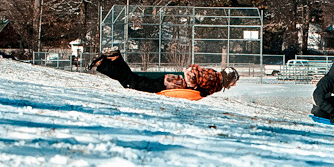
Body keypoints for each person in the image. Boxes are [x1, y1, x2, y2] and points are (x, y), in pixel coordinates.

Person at [89, 50, 238, 97]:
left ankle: (114, 59)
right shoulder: (212, 78)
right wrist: (192, 88)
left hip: (170, 84)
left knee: (131, 80)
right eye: (233, 81)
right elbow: (191, 70)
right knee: (131, 82)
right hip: (170, 83)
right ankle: (104, 64)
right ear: (227, 78)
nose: (234, 84)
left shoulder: (215, 82)